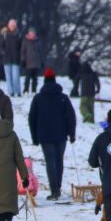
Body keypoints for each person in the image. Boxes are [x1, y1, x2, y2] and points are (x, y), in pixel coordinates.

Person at [27, 68, 77, 201]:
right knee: (59, 161)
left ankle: (54, 190)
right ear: (55, 81)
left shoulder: (38, 98)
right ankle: (58, 188)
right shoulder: (63, 98)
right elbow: (70, 116)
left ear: (44, 81)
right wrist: (72, 134)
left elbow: (32, 118)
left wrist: (34, 137)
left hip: (45, 136)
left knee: (50, 162)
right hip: (61, 136)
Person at [0, 19, 22, 96]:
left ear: (15, 26)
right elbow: (1, 45)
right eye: (11, 25)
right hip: (6, 59)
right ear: (8, 26)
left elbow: (21, 46)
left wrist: (20, 56)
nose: (12, 27)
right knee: (8, 77)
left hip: (16, 58)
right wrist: (3, 53)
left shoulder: (18, 34)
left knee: (15, 77)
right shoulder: (5, 34)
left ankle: (18, 91)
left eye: (13, 25)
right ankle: (11, 92)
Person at [76, 59, 100, 123]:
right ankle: (91, 121)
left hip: (84, 93)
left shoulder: (81, 73)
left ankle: (86, 115)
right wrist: (98, 89)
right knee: (91, 107)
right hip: (92, 93)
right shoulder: (93, 74)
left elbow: (76, 81)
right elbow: (97, 82)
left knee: (82, 106)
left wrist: (76, 90)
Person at [20, 27, 42, 95]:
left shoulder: (37, 41)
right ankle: (25, 90)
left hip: (36, 63)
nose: (32, 34)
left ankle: (34, 91)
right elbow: (22, 51)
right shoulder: (25, 41)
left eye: (33, 33)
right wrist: (23, 60)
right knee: (27, 78)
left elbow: (39, 52)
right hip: (28, 63)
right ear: (29, 34)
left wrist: (41, 61)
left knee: (35, 79)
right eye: (31, 33)